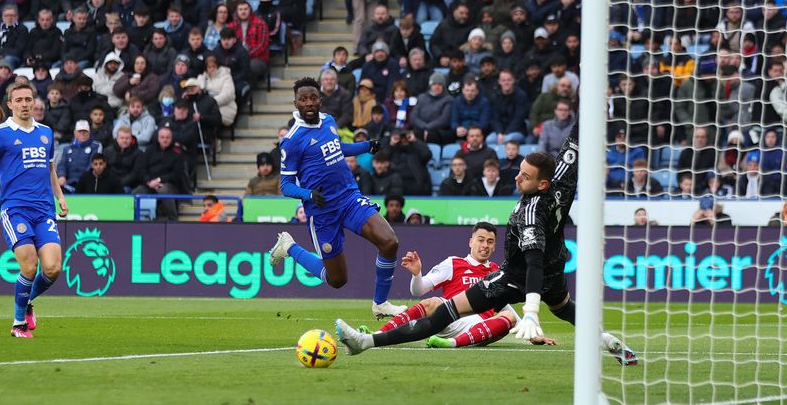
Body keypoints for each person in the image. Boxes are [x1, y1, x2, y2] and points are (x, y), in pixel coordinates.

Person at [335, 123, 637, 365]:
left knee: (443, 314)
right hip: (554, 270)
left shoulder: (529, 211)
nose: (517, 178)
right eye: (519, 170)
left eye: (525, 176)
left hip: (517, 277)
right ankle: (607, 340)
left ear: (541, 185)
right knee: (565, 308)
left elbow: (532, 262)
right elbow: (575, 141)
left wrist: (531, 311)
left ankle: (366, 343)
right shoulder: (562, 179)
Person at [267, 77, 407, 319]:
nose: (309, 103)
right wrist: (308, 194)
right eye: (303, 99)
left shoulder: (329, 121)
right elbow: (286, 185)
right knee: (337, 280)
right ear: (296, 103)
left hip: (349, 198)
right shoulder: (291, 141)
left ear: (320, 100)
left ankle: (381, 303)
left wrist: (365, 146)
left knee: (390, 242)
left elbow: (337, 147)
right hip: (323, 213)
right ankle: (289, 247)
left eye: (313, 98)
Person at [0, 81, 68, 338]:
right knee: (29, 266)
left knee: (53, 268)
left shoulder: (46, 133)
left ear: (34, 102)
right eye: (20, 100)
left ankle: (25, 304)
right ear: (10, 104)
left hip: (44, 210)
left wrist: (60, 197)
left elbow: (50, 169)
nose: (25, 104)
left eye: (29, 99)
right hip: (15, 209)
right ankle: (18, 324)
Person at [372, 223, 532, 348]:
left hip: (479, 327)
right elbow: (418, 291)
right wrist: (417, 274)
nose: (485, 245)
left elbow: (505, 306)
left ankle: (453, 343)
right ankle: (379, 334)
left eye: (490, 242)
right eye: (481, 240)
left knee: (509, 317)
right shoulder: (453, 263)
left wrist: (531, 335)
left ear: (494, 246)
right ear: (471, 242)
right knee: (433, 302)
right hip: (447, 319)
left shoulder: (498, 271)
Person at [131, 126, 186, 220]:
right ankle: (133, 219)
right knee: (136, 192)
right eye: (162, 137)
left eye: (167, 137)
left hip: (169, 185)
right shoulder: (149, 150)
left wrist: (159, 180)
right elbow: (142, 170)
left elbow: (177, 175)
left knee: (163, 190)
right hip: (150, 184)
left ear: (171, 138)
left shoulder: (177, 153)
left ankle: (173, 219)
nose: (165, 140)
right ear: (158, 138)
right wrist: (149, 182)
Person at [56, 119, 103, 193]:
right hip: (68, 182)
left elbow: (93, 165)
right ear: (75, 133)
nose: (82, 134)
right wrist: (62, 176)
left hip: (87, 183)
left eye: (85, 131)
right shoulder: (67, 148)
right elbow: (62, 164)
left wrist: (83, 180)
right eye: (80, 131)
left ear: (89, 133)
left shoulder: (95, 146)